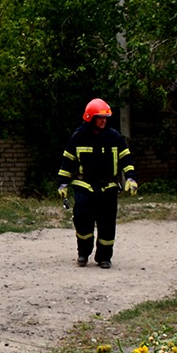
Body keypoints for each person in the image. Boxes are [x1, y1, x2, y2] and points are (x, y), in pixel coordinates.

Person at [57, 98, 137, 269]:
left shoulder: (115, 137)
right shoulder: (78, 137)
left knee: (107, 224)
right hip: (84, 187)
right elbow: (67, 162)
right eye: (100, 117)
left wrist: (131, 178)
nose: (103, 121)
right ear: (90, 118)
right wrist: (62, 184)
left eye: (105, 118)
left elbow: (126, 159)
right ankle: (83, 253)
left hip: (108, 188)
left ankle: (104, 257)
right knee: (82, 221)